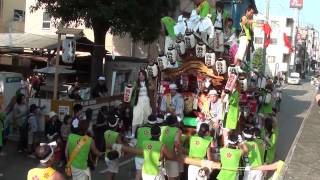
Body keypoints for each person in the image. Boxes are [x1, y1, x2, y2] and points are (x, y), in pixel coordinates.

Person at [134, 114, 158, 180]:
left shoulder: (139, 128)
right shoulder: (154, 130)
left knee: (138, 174)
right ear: (155, 121)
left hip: (138, 154)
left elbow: (136, 140)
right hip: (148, 156)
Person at [129, 70, 152, 138]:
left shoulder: (148, 83)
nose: (141, 76)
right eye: (140, 75)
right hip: (138, 101)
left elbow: (153, 88)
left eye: (142, 75)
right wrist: (130, 87)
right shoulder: (136, 83)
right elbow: (131, 90)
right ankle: (133, 134)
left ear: (145, 76)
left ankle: (145, 134)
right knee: (136, 117)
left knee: (146, 117)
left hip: (146, 102)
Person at [160, 115, 182, 180]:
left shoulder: (161, 128)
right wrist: (180, 155)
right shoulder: (177, 130)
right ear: (175, 122)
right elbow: (176, 143)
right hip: (171, 156)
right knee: (171, 177)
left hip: (161, 155)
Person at [104, 113, 123, 180]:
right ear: (116, 125)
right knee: (111, 173)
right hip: (113, 156)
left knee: (113, 171)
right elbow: (121, 145)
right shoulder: (116, 134)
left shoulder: (106, 132)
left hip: (106, 155)